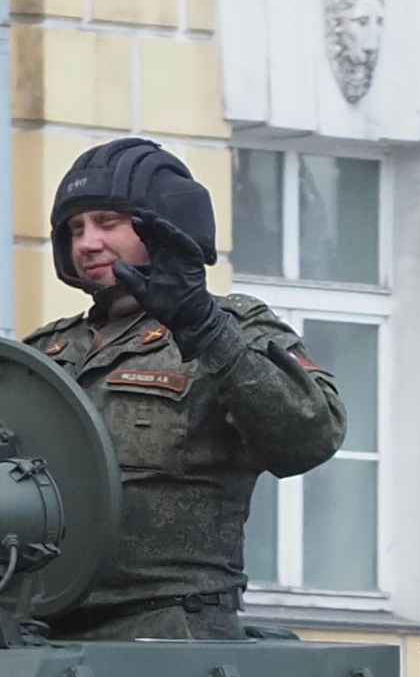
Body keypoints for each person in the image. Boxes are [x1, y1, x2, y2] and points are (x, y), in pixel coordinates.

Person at [25, 135, 347, 641]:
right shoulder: (46, 352)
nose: (87, 242)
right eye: (75, 228)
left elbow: (310, 434)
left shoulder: (231, 328)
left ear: (166, 227)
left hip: (172, 636)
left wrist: (206, 329)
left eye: (109, 222)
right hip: (39, 631)